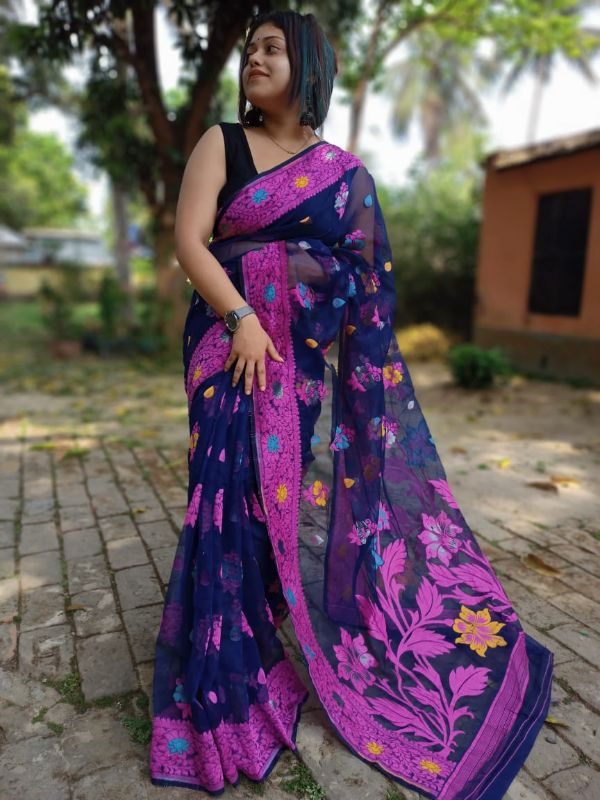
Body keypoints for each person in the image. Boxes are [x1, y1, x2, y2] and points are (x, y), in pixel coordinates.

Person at [149, 10, 553, 798]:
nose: (255, 58)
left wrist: (309, 286)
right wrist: (244, 314)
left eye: (272, 48)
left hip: (294, 362)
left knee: (267, 504)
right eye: (250, 49)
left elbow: (366, 277)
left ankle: (257, 638)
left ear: (309, 67)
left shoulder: (343, 176)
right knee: (223, 494)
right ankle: (226, 677)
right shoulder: (222, 144)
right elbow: (191, 242)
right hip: (227, 348)